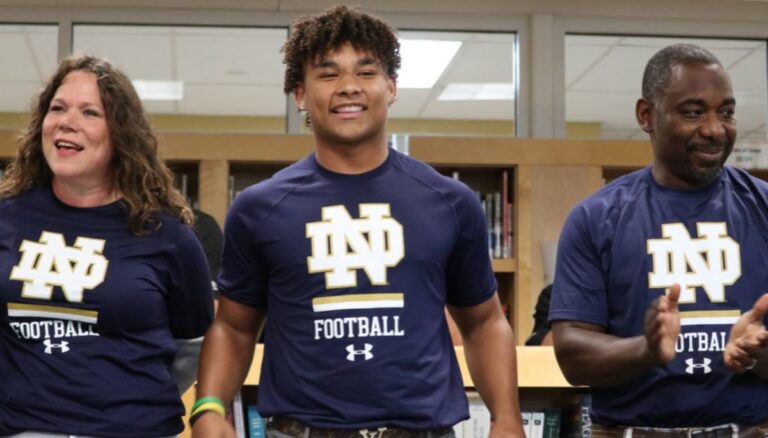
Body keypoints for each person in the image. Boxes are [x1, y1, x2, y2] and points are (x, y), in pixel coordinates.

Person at [192, 5, 524, 438]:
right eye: (328, 74)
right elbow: (234, 327)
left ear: (392, 87)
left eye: (366, 73)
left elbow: (483, 322)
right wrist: (209, 407)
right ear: (299, 94)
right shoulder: (259, 208)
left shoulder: (450, 202)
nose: (348, 86)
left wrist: (507, 419)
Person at [549, 42, 768, 435]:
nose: (714, 129)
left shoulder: (763, 208)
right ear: (647, 115)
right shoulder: (596, 218)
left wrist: (759, 355)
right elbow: (571, 356)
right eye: (693, 112)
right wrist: (646, 350)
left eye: (726, 112)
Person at [0, 54, 214, 437]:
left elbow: (194, 345)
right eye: (58, 108)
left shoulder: (168, 235)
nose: (67, 122)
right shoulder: (6, 217)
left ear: (121, 134)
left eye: (90, 113)